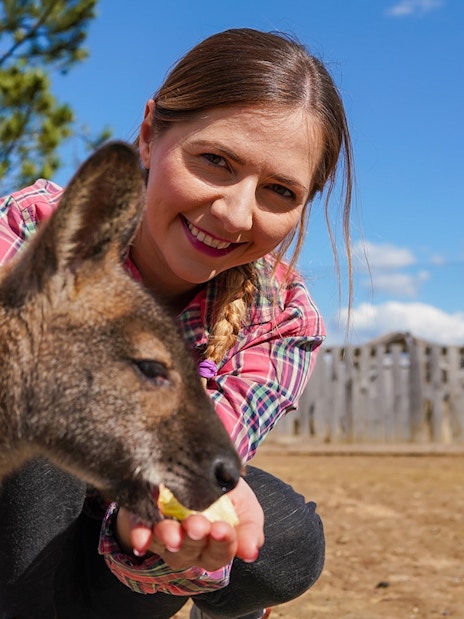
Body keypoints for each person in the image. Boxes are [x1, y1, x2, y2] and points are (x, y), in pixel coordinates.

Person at [0, 27, 353, 619]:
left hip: (122, 565)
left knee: (283, 542)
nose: (235, 213)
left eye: (279, 191)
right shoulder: (35, 230)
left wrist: (186, 521)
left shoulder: (282, 313)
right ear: (148, 134)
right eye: (216, 160)